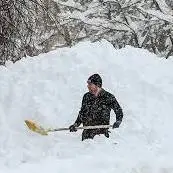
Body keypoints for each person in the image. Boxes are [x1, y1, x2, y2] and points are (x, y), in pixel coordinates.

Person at [69, 74, 123, 141]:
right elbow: (82, 113)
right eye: (88, 84)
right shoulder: (86, 97)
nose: (88, 86)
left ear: (97, 85)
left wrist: (118, 120)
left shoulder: (108, 97)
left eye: (90, 84)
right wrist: (75, 125)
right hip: (87, 136)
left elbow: (118, 110)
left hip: (101, 136)